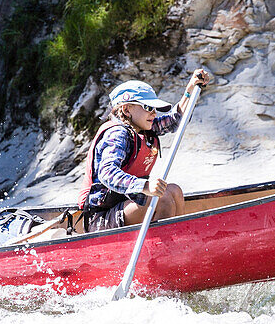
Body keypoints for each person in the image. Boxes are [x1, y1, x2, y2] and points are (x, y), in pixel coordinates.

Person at [78, 69, 211, 232]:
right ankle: (164, 251)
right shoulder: (117, 134)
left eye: (155, 109)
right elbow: (107, 173)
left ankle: (177, 240)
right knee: (162, 200)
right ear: (126, 110)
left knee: (174, 191)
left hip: (125, 204)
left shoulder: (142, 126)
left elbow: (176, 120)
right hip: (100, 218)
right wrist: (144, 186)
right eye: (148, 107)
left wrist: (190, 90)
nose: (153, 113)